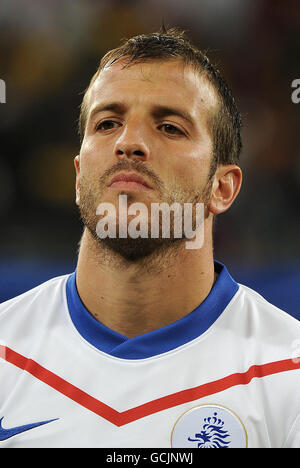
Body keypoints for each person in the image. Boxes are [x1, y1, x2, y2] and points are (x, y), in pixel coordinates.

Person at [0, 27, 300, 449]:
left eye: (170, 127)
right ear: (78, 174)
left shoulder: (288, 376)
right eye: (107, 123)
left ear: (223, 188)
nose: (129, 142)